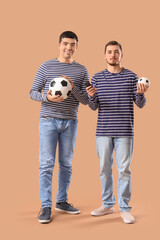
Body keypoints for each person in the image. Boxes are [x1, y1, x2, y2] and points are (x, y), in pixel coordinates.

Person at [30, 31, 89, 223]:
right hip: (48, 119)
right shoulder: (46, 66)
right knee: (46, 164)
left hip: (70, 121)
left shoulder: (82, 70)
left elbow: (86, 101)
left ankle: (61, 201)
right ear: (59, 45)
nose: (68, 48)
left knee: (66, 164)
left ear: (76, 47)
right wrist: (46, 97)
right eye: (65, 44)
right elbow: (32, 92)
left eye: (72, 44)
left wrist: (72, 87)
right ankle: (46, 206)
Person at [86, 41, 148, 224]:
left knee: (124, 171)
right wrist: (91, 96)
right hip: (103, 131)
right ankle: (107, 204)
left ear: (122, 55)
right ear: (104, 55)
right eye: (109, 52)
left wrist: (141, 93)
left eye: (116, 52)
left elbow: (141, 104)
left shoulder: (131, 77)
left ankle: (125, 208)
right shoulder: (96, 78)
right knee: (104, 169)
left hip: (125, 132)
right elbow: (93, 106)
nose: (113, 55)